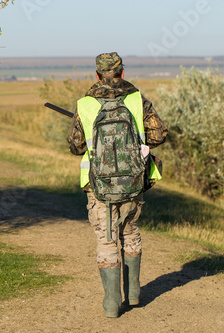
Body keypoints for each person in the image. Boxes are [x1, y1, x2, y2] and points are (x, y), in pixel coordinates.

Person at [67, 52, 168, 318]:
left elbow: (76, 147)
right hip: (133, 183)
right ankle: (133, 294)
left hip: (97, 186)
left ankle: (112, 304)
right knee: (130, 231)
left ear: (97, 75)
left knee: (106, 240)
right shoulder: (136, 100)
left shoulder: (85, 104)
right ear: (122, 72)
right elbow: (159, 134)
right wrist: (137, 145)